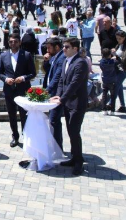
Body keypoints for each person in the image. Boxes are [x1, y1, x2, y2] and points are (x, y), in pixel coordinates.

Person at [50, 38, 89, 176]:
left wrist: (62, 99)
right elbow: (62, 81)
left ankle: (78, 162)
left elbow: (74, 84)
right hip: (67, 103)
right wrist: (58, 95)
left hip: (77, 104)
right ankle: (74, 158)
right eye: (63, 47)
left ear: (75, 49)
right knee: (71, 131)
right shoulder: (66, 61)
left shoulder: (81, 63)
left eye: (67, 47)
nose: (64, 49)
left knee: (74, 132)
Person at [0, 33, 36, 147]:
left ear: (19, 42)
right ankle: (15, 136)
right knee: (11, 114)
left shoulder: (27, 55)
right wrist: (6, 79)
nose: (12, 43)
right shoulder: (3, 56)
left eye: (15, 41)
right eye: (10, 41)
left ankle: (26, 136)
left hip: (23, 89)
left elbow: (33, 73)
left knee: (24, 114)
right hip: (9, 90)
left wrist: (23, 78)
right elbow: (0, 72)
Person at [43, 37, 65, 149]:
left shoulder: (61, 58)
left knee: (53, 121)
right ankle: (56, 146)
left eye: (49, 48)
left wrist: (47, 90)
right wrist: (46, 60)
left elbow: (57, 77)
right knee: (54, 121)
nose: (47, 50)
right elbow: (47, 70)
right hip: (52, 92)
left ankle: (57, 147)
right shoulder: (54, 56)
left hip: (57, 93)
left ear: (56, 47)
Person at [114, 31, 126, 113]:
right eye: (117, 38)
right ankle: (123, 106)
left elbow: (125, 59)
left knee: (115, 87)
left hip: (123, 69)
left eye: (120, 39)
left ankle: (110, 103)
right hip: (117, 69)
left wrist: (116, 56)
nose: (118, 40)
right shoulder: (118, 45)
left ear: (124, 38)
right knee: (119, 88)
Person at [99, 48, 118, 115]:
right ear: (110, 55)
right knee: (113, 96)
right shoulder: (113, 61)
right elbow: (119, 62)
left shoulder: (101, 62)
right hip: (112, 80)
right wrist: (115, 55)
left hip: (105, 80)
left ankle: (104, 109)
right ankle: (112, 110)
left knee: (104, 95)